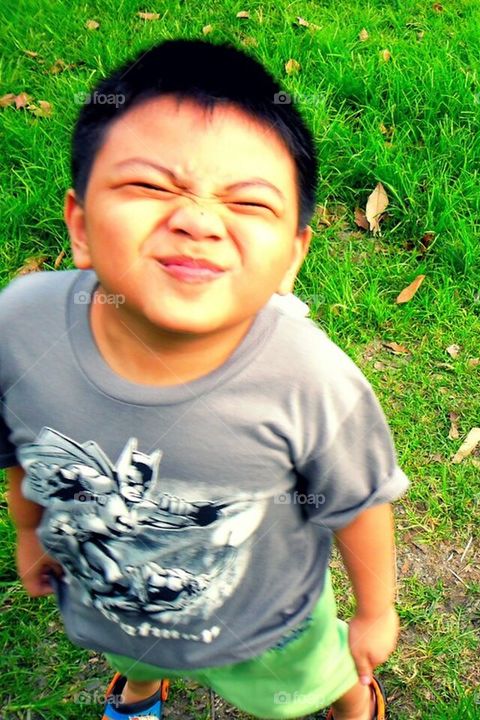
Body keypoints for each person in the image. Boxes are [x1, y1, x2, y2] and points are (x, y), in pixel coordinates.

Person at [1, 39, 409, 720]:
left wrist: (376, 612)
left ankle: (351, 701)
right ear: (79, 223)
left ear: (292, 257)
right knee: (133, 649)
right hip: (117, 595)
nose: (196, 220)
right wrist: (27, 531)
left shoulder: (310, 380)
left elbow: (360, 502)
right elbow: (19, 451)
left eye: (248, 203)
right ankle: (139, 688)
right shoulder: (19, 327)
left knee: (309, 682)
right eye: (149, 187)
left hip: (266, 620)